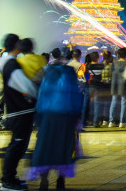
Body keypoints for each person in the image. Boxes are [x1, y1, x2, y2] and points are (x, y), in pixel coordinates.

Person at [27, 61, 83, 191]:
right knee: (63, 148)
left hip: (48, 116)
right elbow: (76, 98)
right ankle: (60, 180)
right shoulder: (69, 75)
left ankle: (44, 180)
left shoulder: (47, 75)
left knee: (45, 148)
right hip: (66, 117)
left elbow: (40, 98)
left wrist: (38, 119)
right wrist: (78, 119)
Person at [0, 34, 39, 191]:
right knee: (17, 146)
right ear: (16, 45)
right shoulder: (12, 65)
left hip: (17, 111)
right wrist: (36, 93)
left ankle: (9, 178)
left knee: (16, 145)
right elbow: (25, 86)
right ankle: (8, 181)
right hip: (21, 111)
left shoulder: (6, 63)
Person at [109, 48, 126, 127]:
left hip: (115, 85)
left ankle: (111, 121)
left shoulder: (114, 63)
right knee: (124, 103)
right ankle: (122, 122)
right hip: (124, 85)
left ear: (118, 55)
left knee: (114, 102)